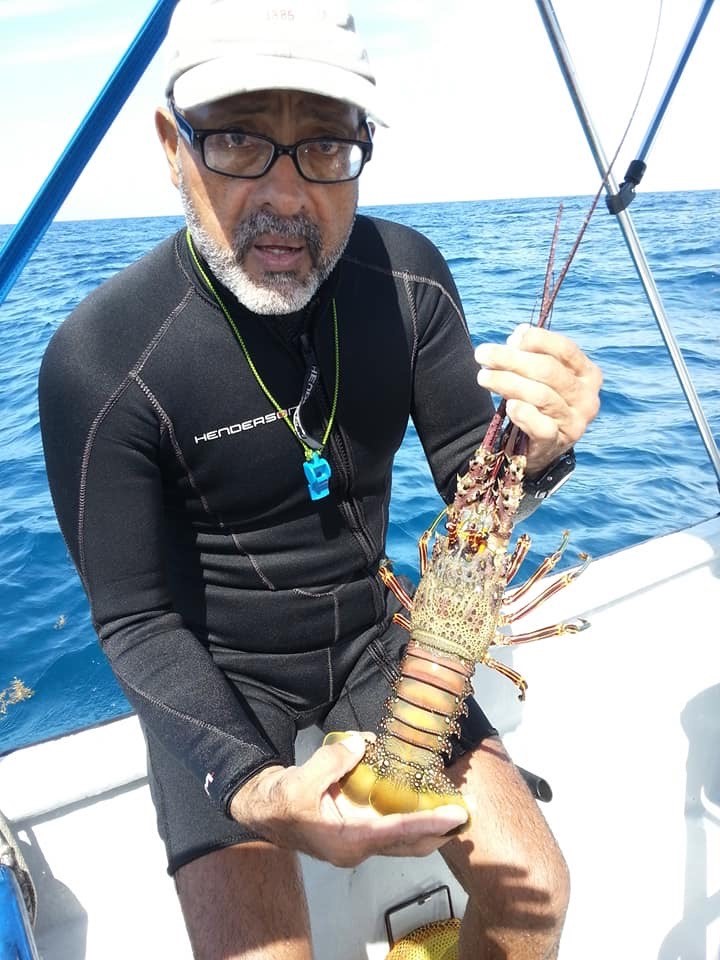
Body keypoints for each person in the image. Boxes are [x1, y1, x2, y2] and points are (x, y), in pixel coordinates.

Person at [38, 2, 602, 957]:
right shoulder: (101, 359)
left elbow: (479, 481)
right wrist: (257, 789)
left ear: (363, 149)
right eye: (238, 142)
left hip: (384, 644)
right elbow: (135, 621)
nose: (287, 193)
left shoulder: (408, 279)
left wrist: (541, 447)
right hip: (220, 680)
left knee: (535, 891)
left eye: (326, 148)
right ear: (173, 145)